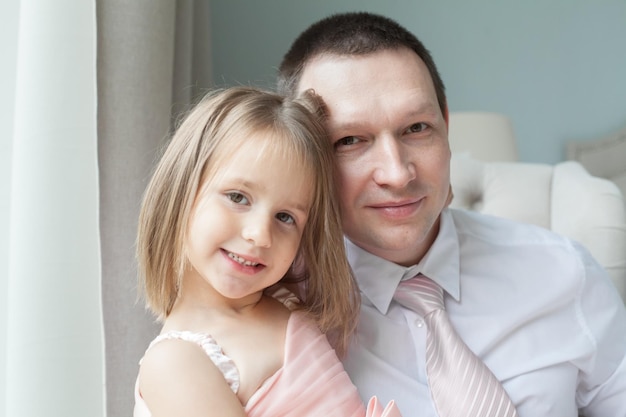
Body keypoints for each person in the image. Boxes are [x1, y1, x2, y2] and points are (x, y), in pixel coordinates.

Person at [277, 11, 626, 417]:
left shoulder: (565, 271)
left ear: (445, 124)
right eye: (350, 140)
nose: (397, 173)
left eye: (416, 128)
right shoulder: (276, 308)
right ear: (303, 154)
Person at [132, 86, 401, 417]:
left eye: (285, 217)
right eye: (238, 197)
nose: (260, 235)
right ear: (180, 190)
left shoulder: (288, 301)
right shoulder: (175, 364)